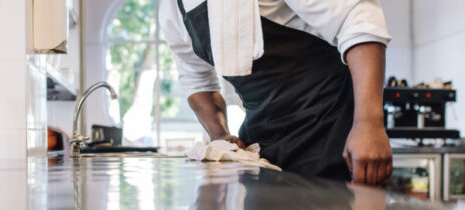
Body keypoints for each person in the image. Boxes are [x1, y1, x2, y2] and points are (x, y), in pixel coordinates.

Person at [160, 0, 393, 185]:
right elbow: (198, 83)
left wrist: (369, 123)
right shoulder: (172, 9)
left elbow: (357, 19)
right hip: (261, 147)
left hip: (330, 128)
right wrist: (220, 135)